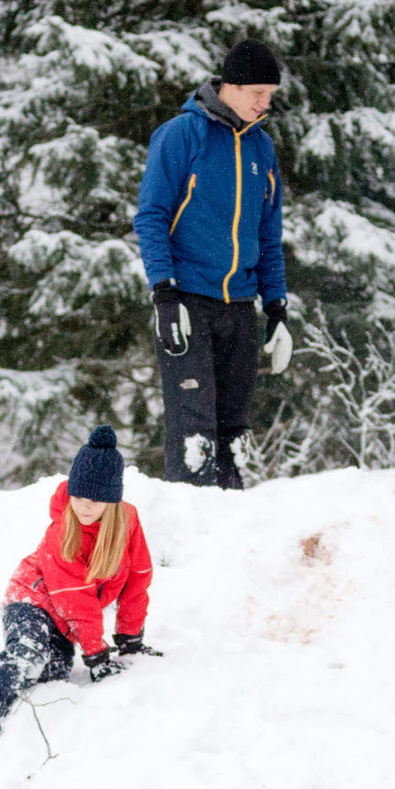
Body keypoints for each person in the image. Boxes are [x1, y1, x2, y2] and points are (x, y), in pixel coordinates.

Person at [0, 426, 158, 741]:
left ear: (112, 501)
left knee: (52, 672)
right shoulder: (62, 533)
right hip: (31, 600)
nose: (84, 506)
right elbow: (76, 599)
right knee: (29, 655)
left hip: (63, 620)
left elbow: (138, 580)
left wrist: (130, 641)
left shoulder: (128, 524)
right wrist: (96, 654)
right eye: (78, 497)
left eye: (95, 501)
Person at [134, 38, 294, 489]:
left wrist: (277, 308)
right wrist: (164, 294)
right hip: (187, 301)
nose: (265, 104)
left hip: (240, 306)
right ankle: (188, 545)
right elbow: (151, 216)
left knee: (233, 436)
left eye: (270, 95)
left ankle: (229, 538)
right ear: (230, 86)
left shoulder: (261, 148)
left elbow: (268, 234)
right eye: (257, 93)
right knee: (194, 435)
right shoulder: (181, 135)